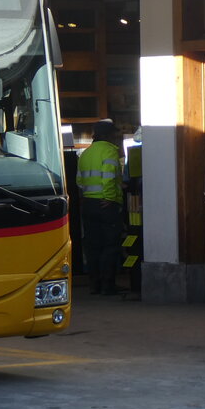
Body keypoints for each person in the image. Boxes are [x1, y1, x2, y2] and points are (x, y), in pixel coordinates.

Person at [76, 118, 125, 295]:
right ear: (107, 135)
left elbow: (80, 181)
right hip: (106, 204)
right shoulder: (110, 152)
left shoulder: (85, 154)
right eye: (113, 134)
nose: (115, 137)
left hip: (89, 203)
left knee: (92, 245)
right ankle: (107, 286)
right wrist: (110, 198)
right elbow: (109, 177)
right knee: (110, 245)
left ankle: (94, 284)